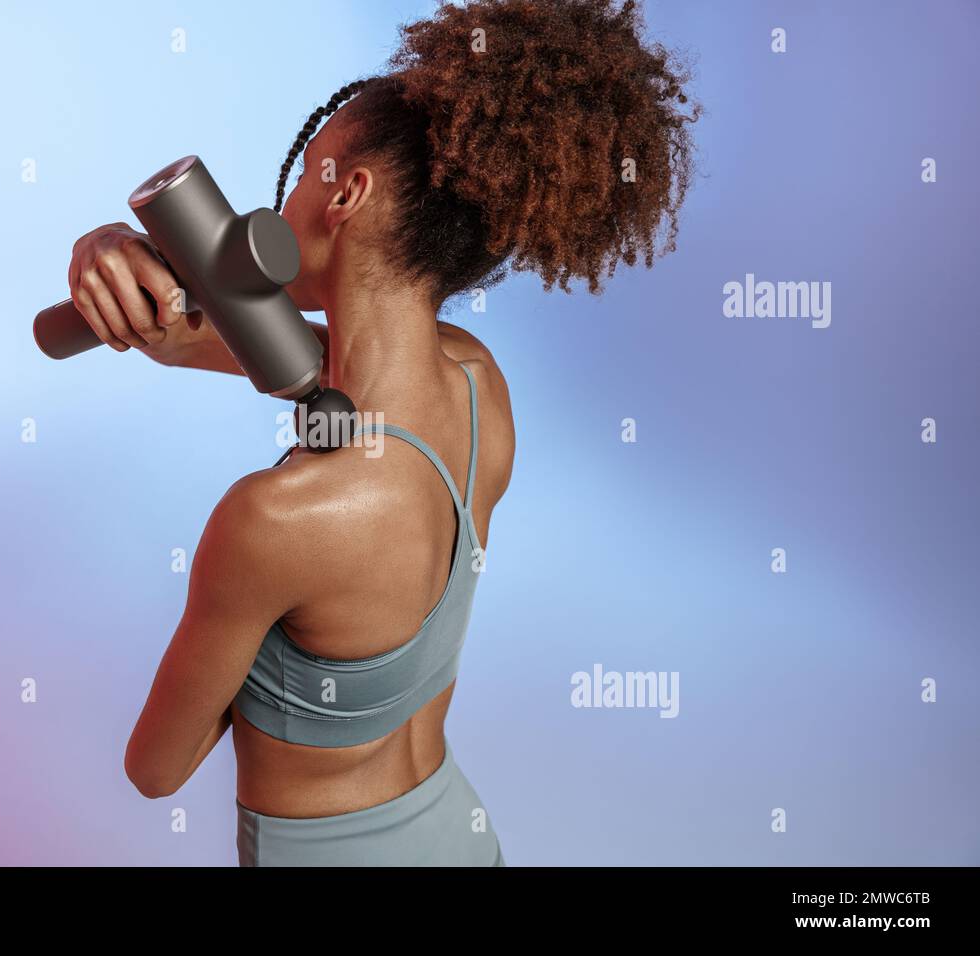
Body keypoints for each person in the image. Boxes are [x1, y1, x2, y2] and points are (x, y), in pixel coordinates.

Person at [66, 0, 698, 865]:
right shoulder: (478, 384)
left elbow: (155, 769)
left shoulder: (275, 519)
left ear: (346, 194)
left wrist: (239, 625)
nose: (282, 197)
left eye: (303, 169)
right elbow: (209, 341)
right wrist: (113, 248)